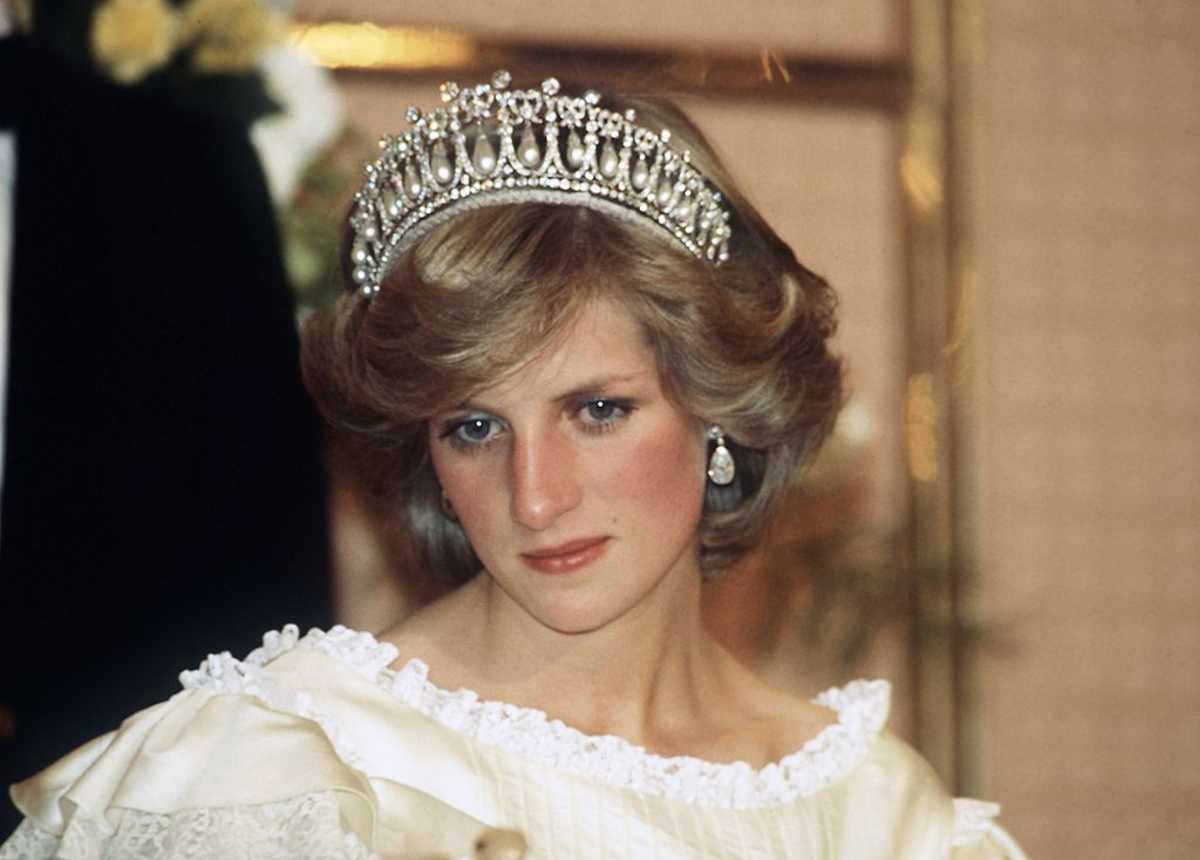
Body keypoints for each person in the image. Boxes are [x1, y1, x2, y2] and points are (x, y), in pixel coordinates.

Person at [0, 71, 1026, 859]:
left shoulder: (884, 818)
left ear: (719, 412)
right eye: (474, 427)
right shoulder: (284, 768)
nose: (534, 495)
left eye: (596, 409)